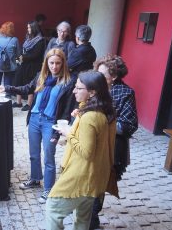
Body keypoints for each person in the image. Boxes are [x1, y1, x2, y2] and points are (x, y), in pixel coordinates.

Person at [0, 48, 76, 203]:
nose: (54, 66)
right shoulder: (41, 77)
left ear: (63, 64)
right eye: (51, 63)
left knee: (49, 157)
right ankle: (35, 179)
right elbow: (27, 88)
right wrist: (6, 88)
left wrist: (58, 132)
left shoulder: (68, 82)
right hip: (34, 118)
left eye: (58, 63)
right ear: (46, 63)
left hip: (50, 123)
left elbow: (67, 110)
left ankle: (48, 189)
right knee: (33, 154)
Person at [45, 71, 116, 230]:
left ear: (92, 92)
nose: (74, 91)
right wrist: (77, 122)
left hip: (81, 175)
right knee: (82, 219)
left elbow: (86, 152)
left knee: (53, 209)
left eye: (78, 88)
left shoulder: (90, 117)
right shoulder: (100, 111)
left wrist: (69, 133)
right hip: (93, 178)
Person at [90, 55, 138, 229]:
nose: (97, 77)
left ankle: (92, 222)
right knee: (92, 181)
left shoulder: (126, 93)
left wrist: (101, 123)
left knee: (99, 184)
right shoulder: (94, 89)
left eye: (102, 74)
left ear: (114, 76)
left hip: (112, 147)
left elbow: (129, 126)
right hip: (91, 144)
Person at [13, 21, 45, 111]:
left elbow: (36, 54)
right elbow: (22, 49)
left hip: (33, 65)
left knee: (30, 83)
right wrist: (19, 56)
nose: (28, 29)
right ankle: (18, 102)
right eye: (27, 28)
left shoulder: (40, 40)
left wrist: (23, 57)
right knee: (18, 81)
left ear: (34, 28)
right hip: (23, 63)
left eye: (29, 28)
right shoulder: (28, 38)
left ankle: (29, 103)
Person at [0, 21, 20, 87]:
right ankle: (8, 96)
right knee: (8, 87)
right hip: (10, 67)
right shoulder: (14, 40)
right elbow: (17, 54)